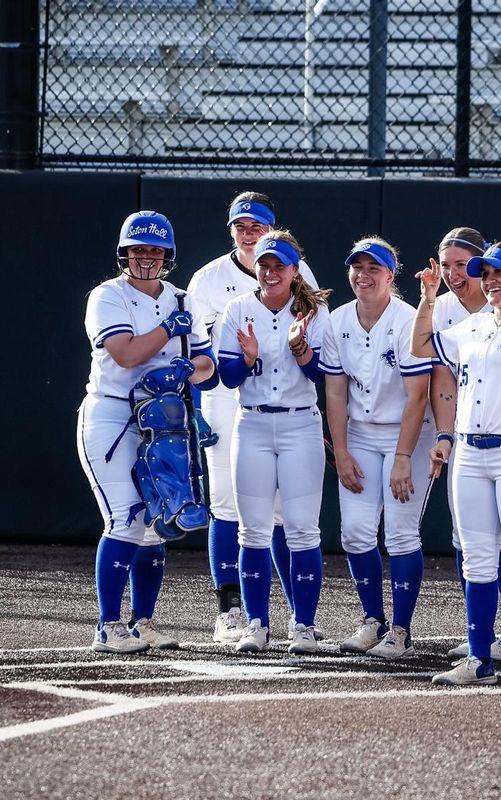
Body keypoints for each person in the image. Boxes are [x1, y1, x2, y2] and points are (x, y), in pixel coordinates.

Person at [411, 241, 501, 689]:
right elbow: (419, 345)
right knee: (477, 560)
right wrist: (429, 297)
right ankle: (479, 658)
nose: (491, 280)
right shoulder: (472, 326)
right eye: (485, 273)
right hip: (470, 452)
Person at [77, 211, 216, 653]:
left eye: (155, 251)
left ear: (168, 256)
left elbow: (208, 365)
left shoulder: (181, 297)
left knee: (157, 524)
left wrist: (185, 369)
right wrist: (165, 333)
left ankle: (144, 622)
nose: (146, 258)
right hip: (113, 416)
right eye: (138, 250)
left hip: (161, 424)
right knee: (127, 517)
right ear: (124, 253)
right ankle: (107, 626)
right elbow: (126, 354)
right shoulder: (107, 295)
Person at [187, 192, 321, 644]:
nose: (249, 233)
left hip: (294, 412)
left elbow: (321, 367)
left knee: (291, 519)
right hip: (234, 409)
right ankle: (234, 611)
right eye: (241, 226)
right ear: (231, 230)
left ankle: (299, 617)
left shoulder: (304, 292)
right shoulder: (210, 281)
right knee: (232, 509)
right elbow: (204, 360)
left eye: (256, 226)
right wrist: (198, 409)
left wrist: (301, 348)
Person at [216, 230, 333, 655]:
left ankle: (303, 625)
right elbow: (226, 376)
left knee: (302, 530)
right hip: (253, 424)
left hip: (301, 424)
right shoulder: (238, 308)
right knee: (253, 532)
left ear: (293, 269)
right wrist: (247, 359)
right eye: (264, 264)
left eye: (278, 265)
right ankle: (256, 624)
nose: (269, 272)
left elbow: (324, 376)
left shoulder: (314, 311)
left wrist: (301, 349)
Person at [321, 237, 435, 659]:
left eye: (374, 268)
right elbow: (335, 393)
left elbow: (417, 396)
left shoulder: (407, 320)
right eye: (357, 267)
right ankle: (373, 619)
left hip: (408, 434)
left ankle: (400, 630)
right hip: (360, 434)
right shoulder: (337, 321)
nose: (363, 275)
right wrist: (342, 451)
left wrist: (404, 458)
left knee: (402, 533)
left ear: (391, 275)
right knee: (354, 531)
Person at [429, 228, 501, 661]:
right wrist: (445, 435)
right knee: (470, 542)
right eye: (445, 264)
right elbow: (439, 375)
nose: (453, 273)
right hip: (467, 438)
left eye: (462, 264)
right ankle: (482, 635)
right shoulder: (445, 309)